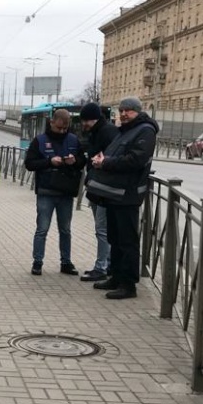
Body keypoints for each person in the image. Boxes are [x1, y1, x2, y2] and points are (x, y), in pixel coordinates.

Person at [88, 96, 158, 299]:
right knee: (115, 237)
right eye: (121, 110)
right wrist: (102, 159)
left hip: (128, 194)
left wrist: (106, 162)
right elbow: (116, 154)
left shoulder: (145, 130)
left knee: (127, 241)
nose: (124, 114)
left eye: (129, 110)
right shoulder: (126, 130)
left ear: (138, 111)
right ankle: (116, 277)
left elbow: (136, 159)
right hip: (114, 193)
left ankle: (128, 284)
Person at [24, 108, 85, 276]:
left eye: (65, 128)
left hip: (66, 192)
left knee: (65, 230)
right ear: (51, 123)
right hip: (46, 191)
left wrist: (74, 161)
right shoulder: (39, 140)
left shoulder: (73, 140)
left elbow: (82, 161)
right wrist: (49, 162)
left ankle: (66, 262)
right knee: (42, 229)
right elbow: (29, 163)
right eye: (59, 128)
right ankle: (37, 262)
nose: (62, 131)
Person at [79, 102, 119, 282]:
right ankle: (107, 264)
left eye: (85, 121)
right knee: (103, 228)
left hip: (104, 187)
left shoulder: (107, 132)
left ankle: (101, 267)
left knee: (102, 229)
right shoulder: (98, 132)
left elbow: (110, 158)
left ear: (92, 119)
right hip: (97, 185)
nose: (83, 124)